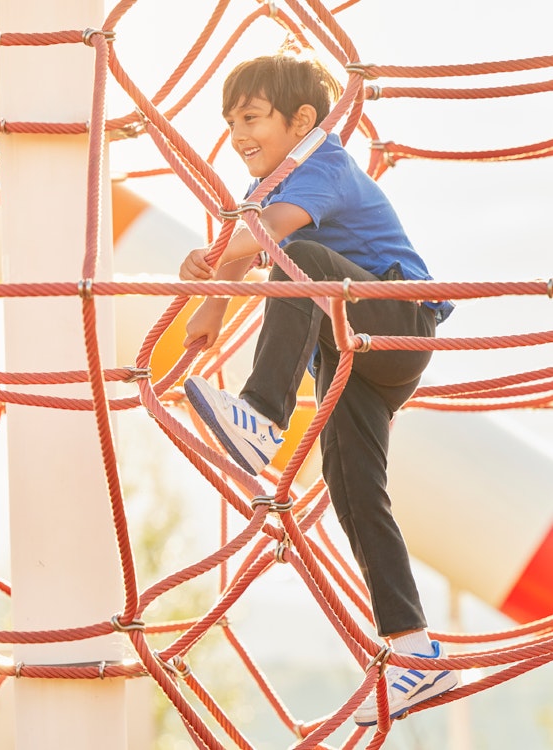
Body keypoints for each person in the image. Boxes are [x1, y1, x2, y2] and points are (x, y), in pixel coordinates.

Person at [178, 54, 457, 725]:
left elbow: (273, 242)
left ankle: (263, 418)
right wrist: (210, 302)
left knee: (300, 261)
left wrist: (216, 265)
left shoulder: (323, 164)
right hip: (348, 352)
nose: (238, 133)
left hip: (396, 322)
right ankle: (417, 655)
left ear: (300, 120)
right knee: (355, 490)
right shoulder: (272, 189)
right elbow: (254, 243)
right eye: (230, 122)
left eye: (251, 118)